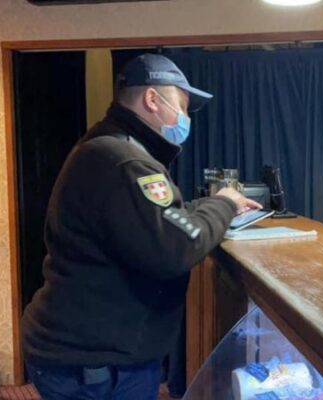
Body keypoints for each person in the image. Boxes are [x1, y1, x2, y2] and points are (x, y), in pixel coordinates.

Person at [20, 53, 261, 399]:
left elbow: (156, 219)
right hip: (95, 363)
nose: (184, 118)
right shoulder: (126, 161)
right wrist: (225, 203)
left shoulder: (110, 148)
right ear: (152, 99)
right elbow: (177, 247)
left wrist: (209, 207)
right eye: (182, 106)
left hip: (85, 351)